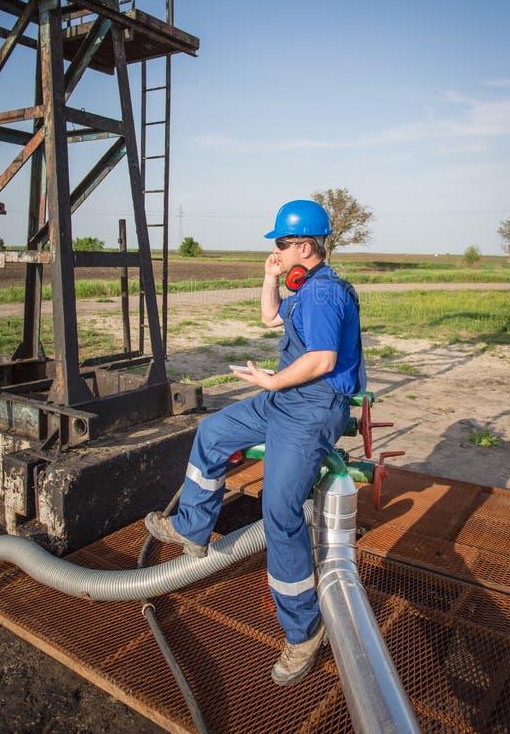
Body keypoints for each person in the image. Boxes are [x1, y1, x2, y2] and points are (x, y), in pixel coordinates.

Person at [145, 199, 366, 686]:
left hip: (311, 409)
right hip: (287, 398)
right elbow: (271, 319)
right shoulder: (304, 286)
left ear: (304, 246)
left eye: (281, 245)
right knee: (212, 432)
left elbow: (325, 359)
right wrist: (268, 276)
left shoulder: (326, 295)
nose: (276, 250)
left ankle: (304, 631)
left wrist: (272, 382)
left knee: (281, 513)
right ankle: (193, 530)